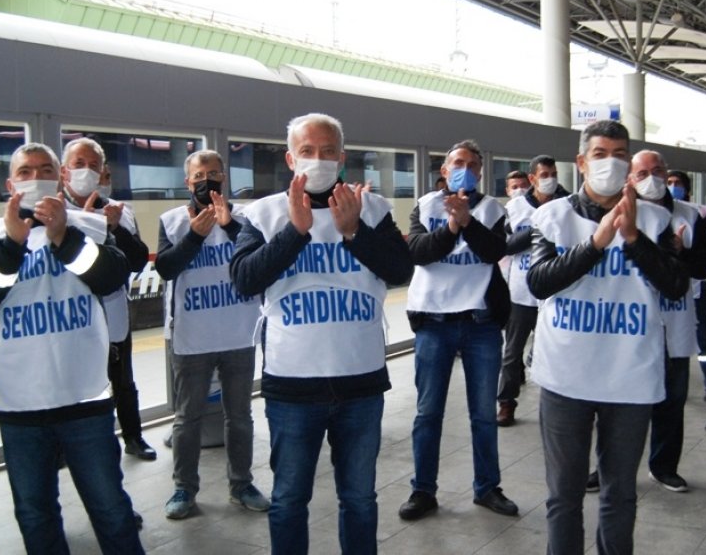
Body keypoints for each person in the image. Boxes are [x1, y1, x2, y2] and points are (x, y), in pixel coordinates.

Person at [230, 113, 413, 555]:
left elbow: (400, 270)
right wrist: (295, 231)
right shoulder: (264, 213)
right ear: (291, 158)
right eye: (308, 152)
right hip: (292, 385)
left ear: (342, 157)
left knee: (360, 498)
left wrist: (353, 232)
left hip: (360, 381)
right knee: (290, 498)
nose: (319, 160)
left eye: (328, 151)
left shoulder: (372, 209)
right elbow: (244, 279)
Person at [0, 143, 142, 554]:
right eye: (25, 172)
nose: (35, 177)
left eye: (45, 169)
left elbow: (112, 276)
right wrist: (10, 244)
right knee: (35, 512)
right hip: (21, 405)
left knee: (111, 509)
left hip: (85, 398)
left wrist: (63, 237)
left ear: (59, 178)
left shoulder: (88, 225)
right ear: (11, 183)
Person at [526, 120, 689, 554]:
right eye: (600, 154)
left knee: (620, 496)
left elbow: (676, 285)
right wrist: (595, 245)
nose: (610, 163)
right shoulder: (551, 217)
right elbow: (540, 282)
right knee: (564, 495)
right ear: (581, 163)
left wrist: (632, 237)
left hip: (629, 378)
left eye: (620, 155)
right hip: (565, 377)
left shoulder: (655, 220)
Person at [400, 139, 519, 522]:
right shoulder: (425, 204)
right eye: (457, 162)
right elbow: (419, 252)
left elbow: (492, 251)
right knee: (427, 412)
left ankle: (487, 488)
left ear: (481, 171)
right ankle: (423, 490)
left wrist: (468, 221)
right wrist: (452, 226)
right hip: (433, 323)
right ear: (444, 170)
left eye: (471, 163)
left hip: (480, 324)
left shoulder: (491, 208)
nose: (463, 168)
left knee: (483, 414)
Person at [155, 149, 269, 519]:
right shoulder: (173, 221)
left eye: (214, 173)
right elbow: (167, 270)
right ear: (188, 182)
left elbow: (260, 262)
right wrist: (193, 237)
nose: (207, 180)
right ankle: (183, 489)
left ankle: (242, 484)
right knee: (187, 418)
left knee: (239, 416)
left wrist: (230, 225)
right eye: (199, 175)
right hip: (193, 337)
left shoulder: (247, 217)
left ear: (224, 177)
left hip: (238, 333)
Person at [60, 138, 157, 461]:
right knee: (77, 382)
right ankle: (74, 447)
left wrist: (113, 229)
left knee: (122, 380)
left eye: (93, 165)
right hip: (70, 316)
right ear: (64, 172)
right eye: (78, 164)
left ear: (103, 172)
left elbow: (139, 260)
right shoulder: (55, 213)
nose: (86, 171)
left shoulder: (119, 211)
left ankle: (133, 436)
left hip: (113, 309)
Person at [628, 150, 706, 493]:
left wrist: (682, 252)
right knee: (621, 402)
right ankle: (610, 466)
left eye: (657, 170)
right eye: (641, 173)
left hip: (675, 318)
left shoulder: (690, 215)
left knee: (672, 398)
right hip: (630, 322)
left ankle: (663, 466)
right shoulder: (620, 213)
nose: (651, 179)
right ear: (629, 179)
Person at [497, 155, 569, 427]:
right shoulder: (516, 208)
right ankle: (506, 403)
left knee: (558, 350)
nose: (549, 178)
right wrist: (538, 224)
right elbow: (506, 245)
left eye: (553, 173)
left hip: (555, 291)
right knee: (512, 352)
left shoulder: (567, 205)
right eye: (544, 174)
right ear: (532, 178)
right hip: (521, 293)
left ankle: (562, 405)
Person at [667, 170, 706, 403]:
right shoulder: (652, 212)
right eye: (669, 182)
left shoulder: (700, 213)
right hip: (664, 290)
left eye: (677, 183)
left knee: (704, 337)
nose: (672, 186)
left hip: (695, 289)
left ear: (687, 189)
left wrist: (683, 251)